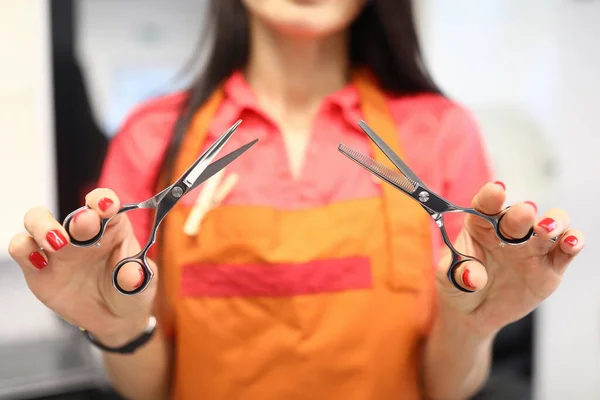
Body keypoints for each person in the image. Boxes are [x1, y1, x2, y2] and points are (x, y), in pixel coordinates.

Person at [8, 1, 585, 399]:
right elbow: (153, 388)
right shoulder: (152, 136)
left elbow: (444, 388)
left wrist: (475, 324)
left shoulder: (442, 131)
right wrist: (115, 325)